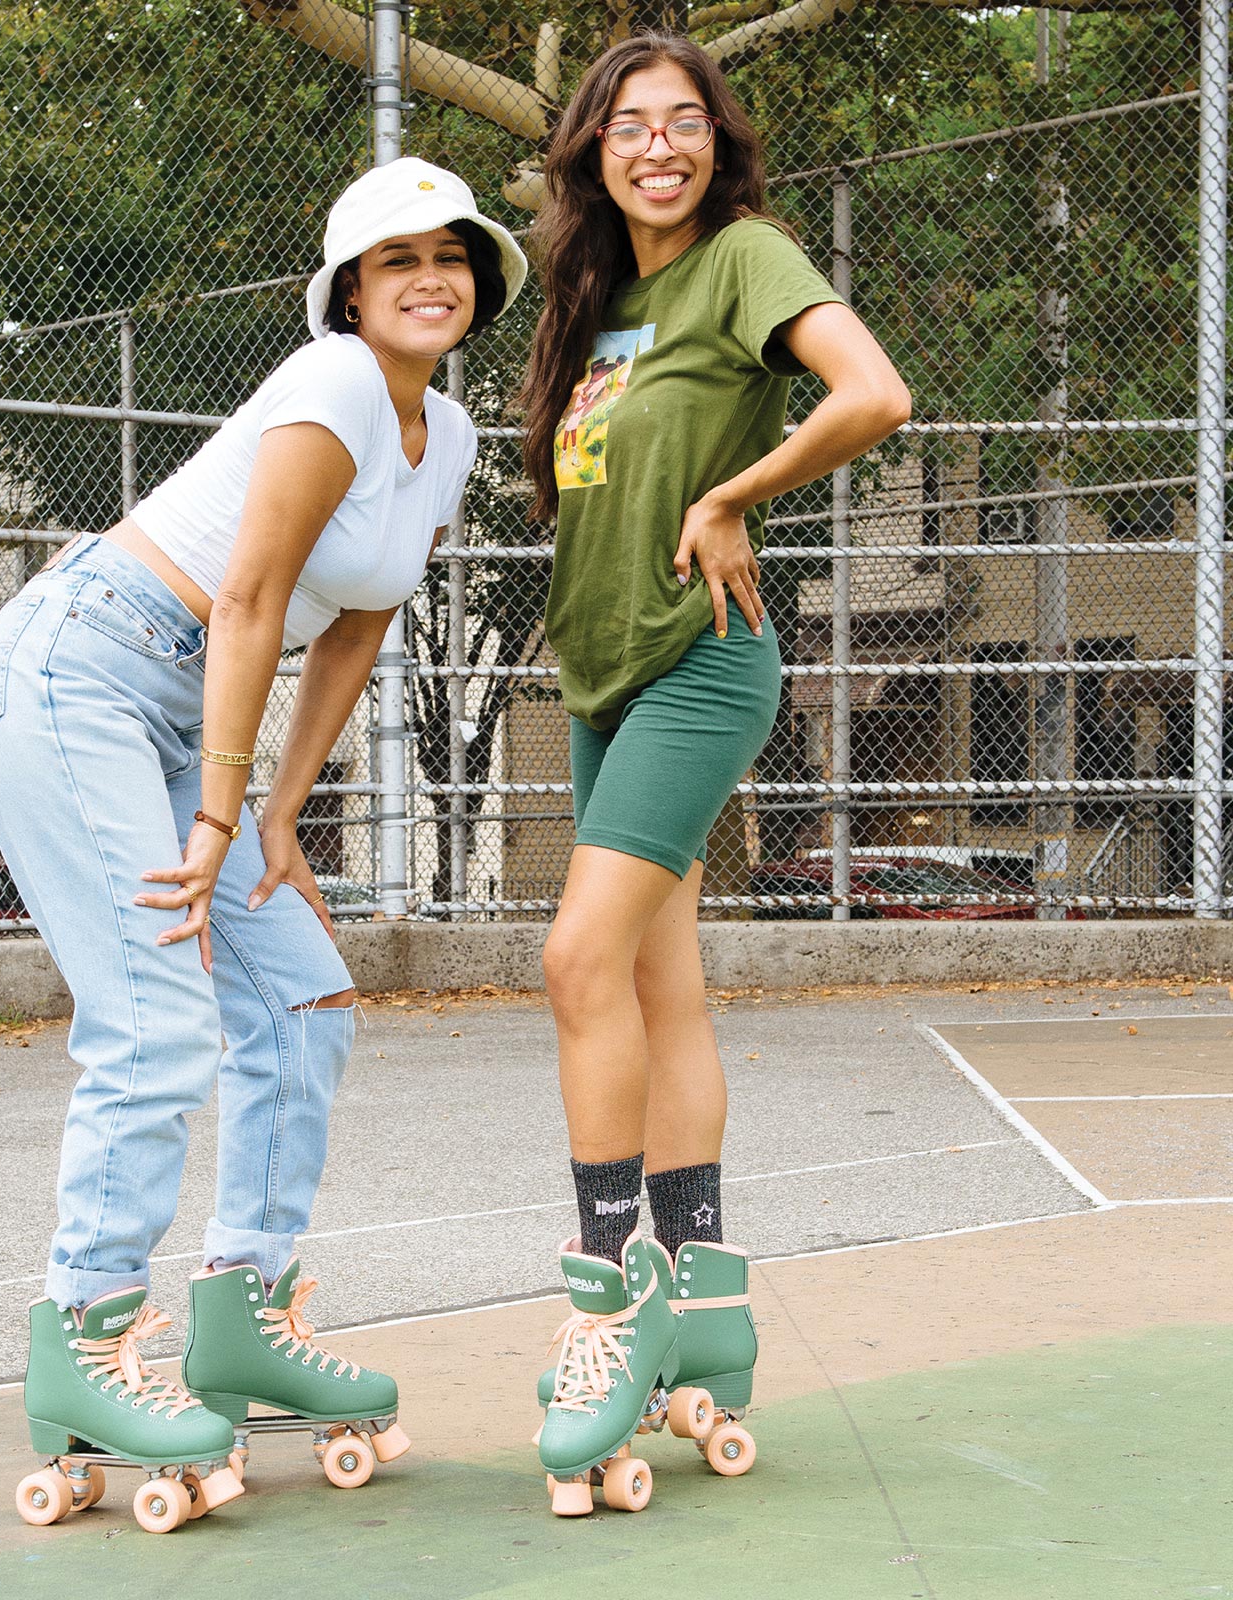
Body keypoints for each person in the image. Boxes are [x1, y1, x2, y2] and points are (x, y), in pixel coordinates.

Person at [0, 157, 526, 1531]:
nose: (432, 277)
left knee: (304, 994)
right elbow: (254, 590)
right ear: (348, 290)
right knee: (154, 1008)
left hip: (180, 714)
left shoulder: (442, 435)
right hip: (80, 672)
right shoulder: (331, 382)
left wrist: (279, 813)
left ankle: (241, 1320)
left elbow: (360, 622)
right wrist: (220, 809)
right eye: (398, 260)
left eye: (453, 255)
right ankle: (85, 1340)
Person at [515, 33, 911, 1516]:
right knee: (657, 991)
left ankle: (610, 1306)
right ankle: (709, 1306)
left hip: (703, 660)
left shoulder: (747, 256)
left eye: (686, 122)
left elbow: (874, 394)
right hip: (609, 679)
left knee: (572, 963)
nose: (659, 145)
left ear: (717, 145)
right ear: (594, 152)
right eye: (630, 126)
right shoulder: (598, 302)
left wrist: (740, 492)